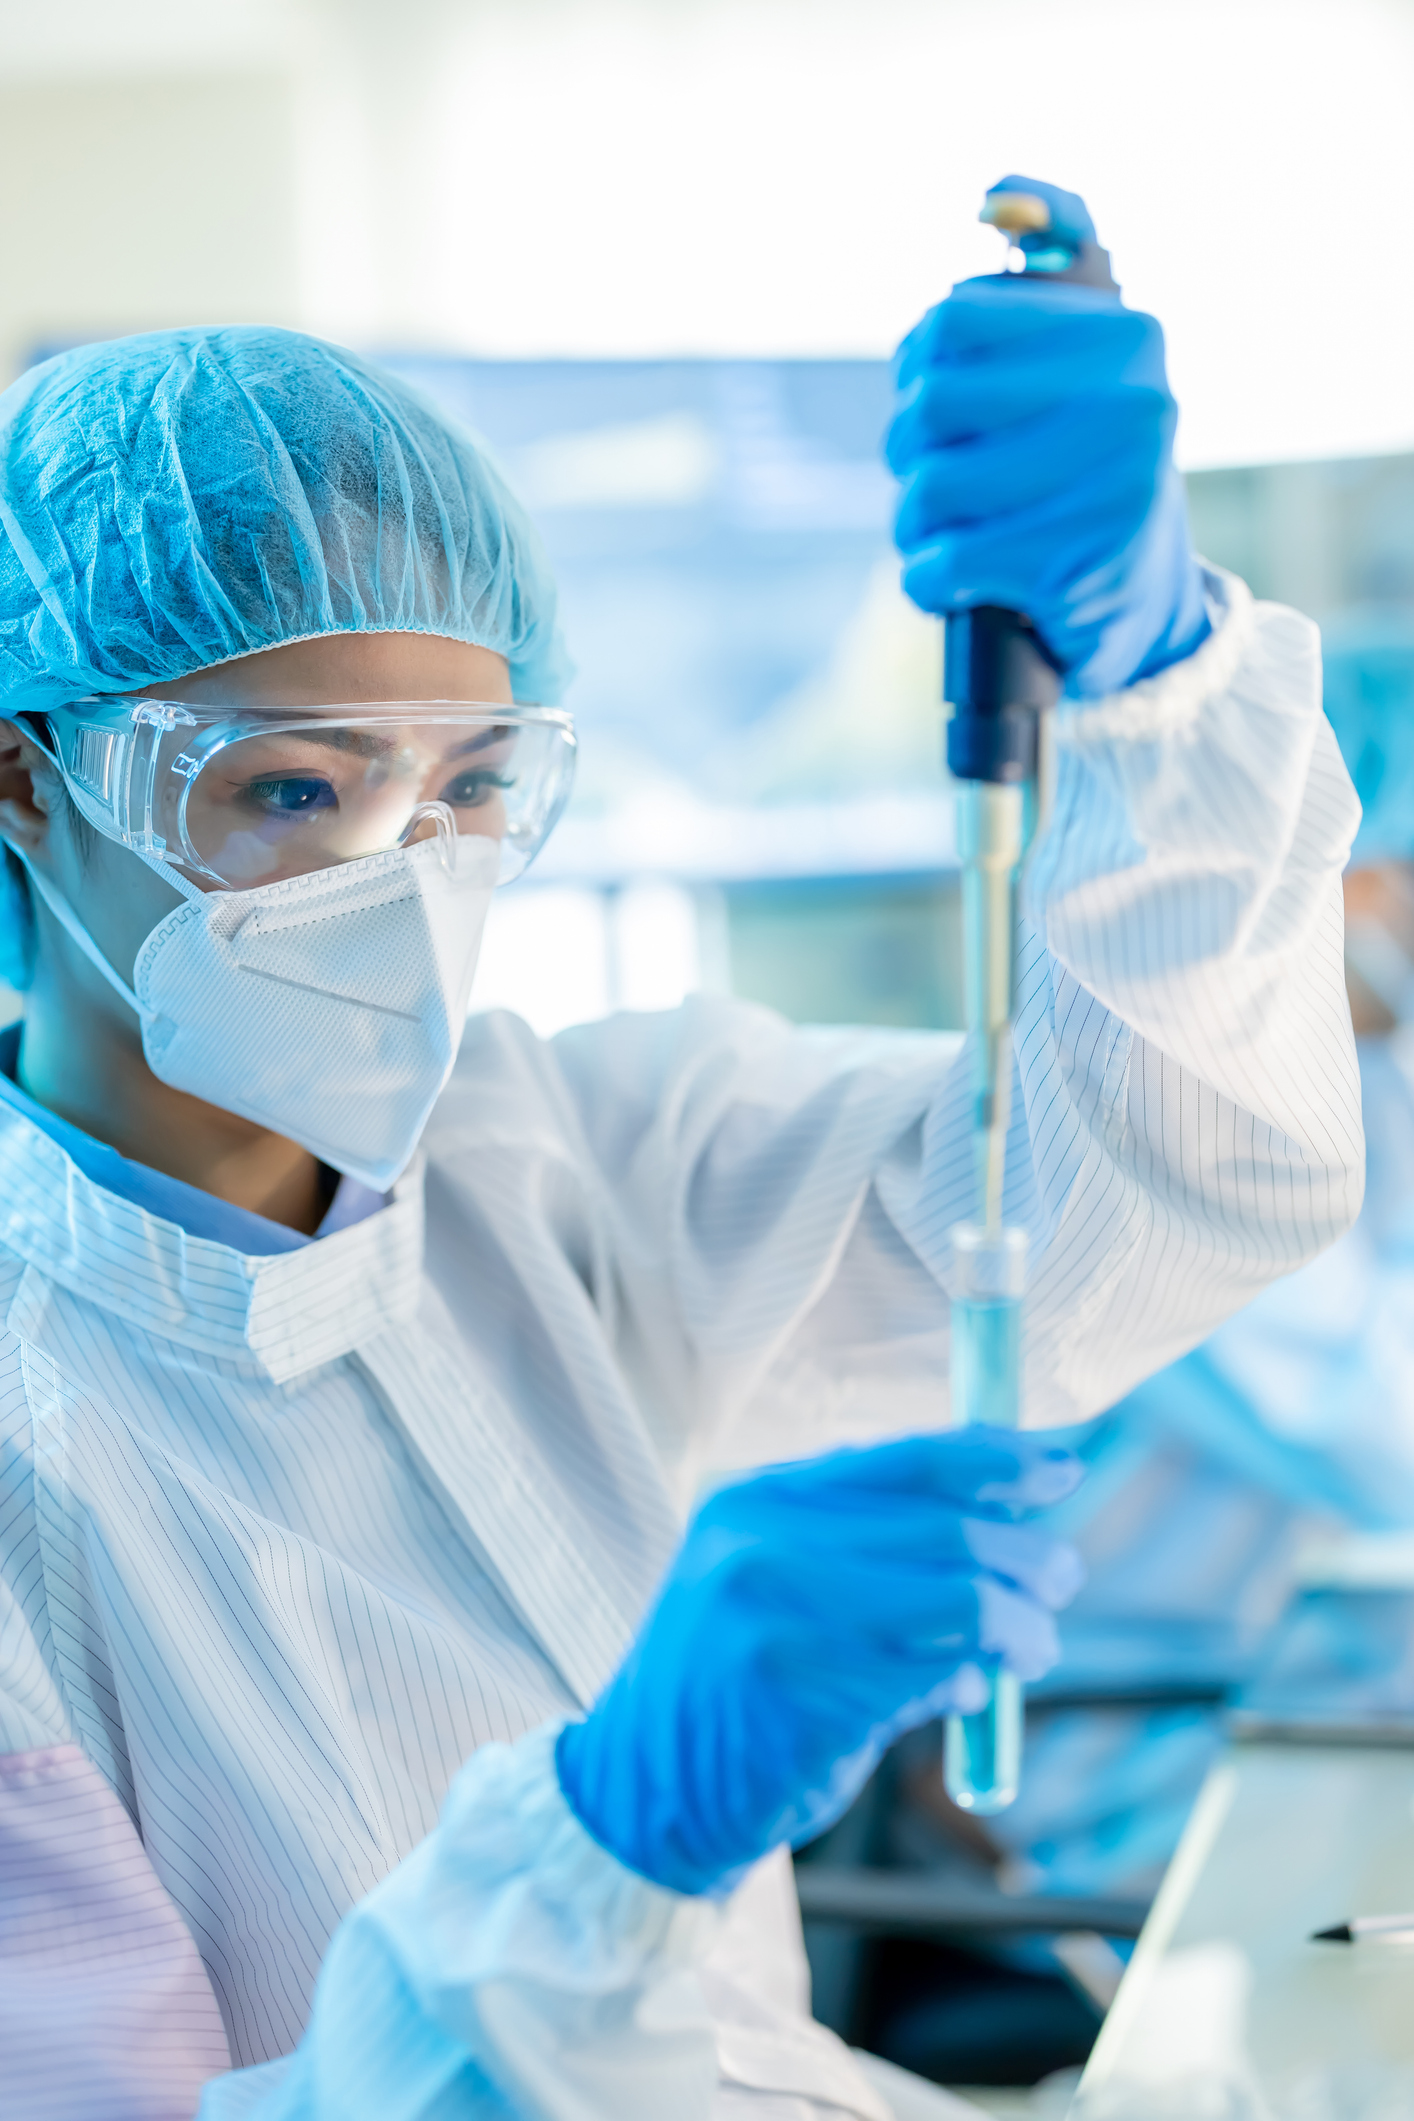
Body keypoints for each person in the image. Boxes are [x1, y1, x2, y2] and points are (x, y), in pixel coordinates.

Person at [0, 177, 1362, 2121]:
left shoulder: (575, 1154)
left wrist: (1148, 682)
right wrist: (608, 1838)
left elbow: (1141, 1188)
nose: (409, 879)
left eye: (474, 787)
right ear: (23, 777)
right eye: (295, 785)